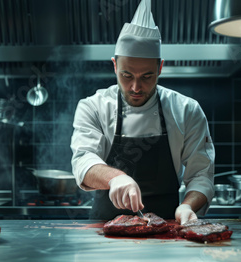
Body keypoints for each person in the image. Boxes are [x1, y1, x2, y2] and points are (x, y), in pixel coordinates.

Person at [70, 0, 214, 224]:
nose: (136, 87)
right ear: (115, 66)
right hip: (104, 234)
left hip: (167, 230)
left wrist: (187, 206)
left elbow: (201, 174)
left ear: (160, 68)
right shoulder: (93, 106)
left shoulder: (186, 110)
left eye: (147, 76)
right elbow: (83, 161)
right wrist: (116, 178)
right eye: (127, 75)